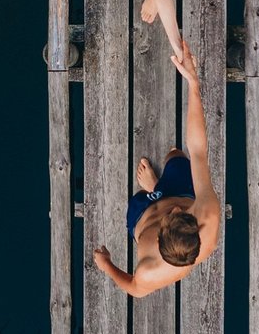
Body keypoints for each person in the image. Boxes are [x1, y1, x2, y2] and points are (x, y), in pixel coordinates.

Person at [92, 37, 222, 297]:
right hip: (181, 191)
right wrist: (194, 85)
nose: (174, 209)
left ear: (160, 239)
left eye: (171, 215)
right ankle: (159, 187)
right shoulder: (207, 213)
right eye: (183, 213)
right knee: (176, 154)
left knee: (139, 197)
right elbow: (197, 150)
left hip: (142, 214)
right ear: (196, 228)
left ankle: (152, 190)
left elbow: (134, 290)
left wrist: (107, 266)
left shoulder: (152, 271)